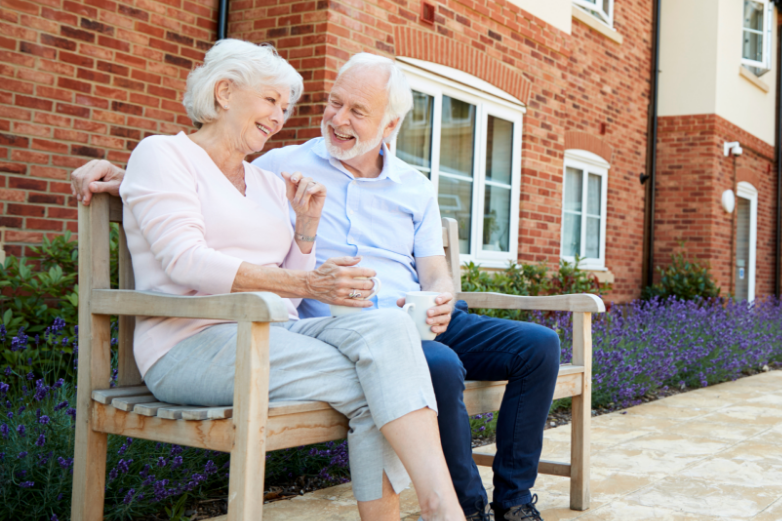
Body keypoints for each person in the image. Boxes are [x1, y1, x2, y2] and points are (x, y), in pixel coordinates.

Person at [71, 52, 561, 521]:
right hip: (205, 339)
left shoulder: (268, 181)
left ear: (389, 126)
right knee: (395, 376)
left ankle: (464, 506)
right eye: (273, 102)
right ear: (224, 92)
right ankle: (455, 507)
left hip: (308, 328)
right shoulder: (257, 161)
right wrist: (130, 176)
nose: (284, 117)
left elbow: (287, 290)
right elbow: (185, 239)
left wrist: (307, 230)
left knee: (425, 347)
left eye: (286, 107)